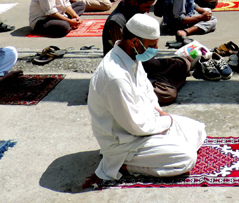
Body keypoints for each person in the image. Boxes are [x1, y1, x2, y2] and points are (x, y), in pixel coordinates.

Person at [88, 13, 207, 183]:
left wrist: (159, 113)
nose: (156, 49)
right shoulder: (115, 77)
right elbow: (136, 127)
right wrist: (166, 122)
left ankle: (161, 145)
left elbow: (148, 91)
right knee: (186, 158)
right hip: (126, 142)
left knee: (197, 130)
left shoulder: (130, 56)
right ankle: (121, 165)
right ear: (135, 42)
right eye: (153, 45)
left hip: (147, 123)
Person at [102, 0, 192, 105]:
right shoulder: (117, 22)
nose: (148, 11)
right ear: (134, 3)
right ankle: (162, 80)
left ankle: (166, 77)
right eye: (146, 7)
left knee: (183, 64)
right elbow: (125, 58)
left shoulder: (133, 11)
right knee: (167, 94)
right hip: (130, 67)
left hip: (142, 60)